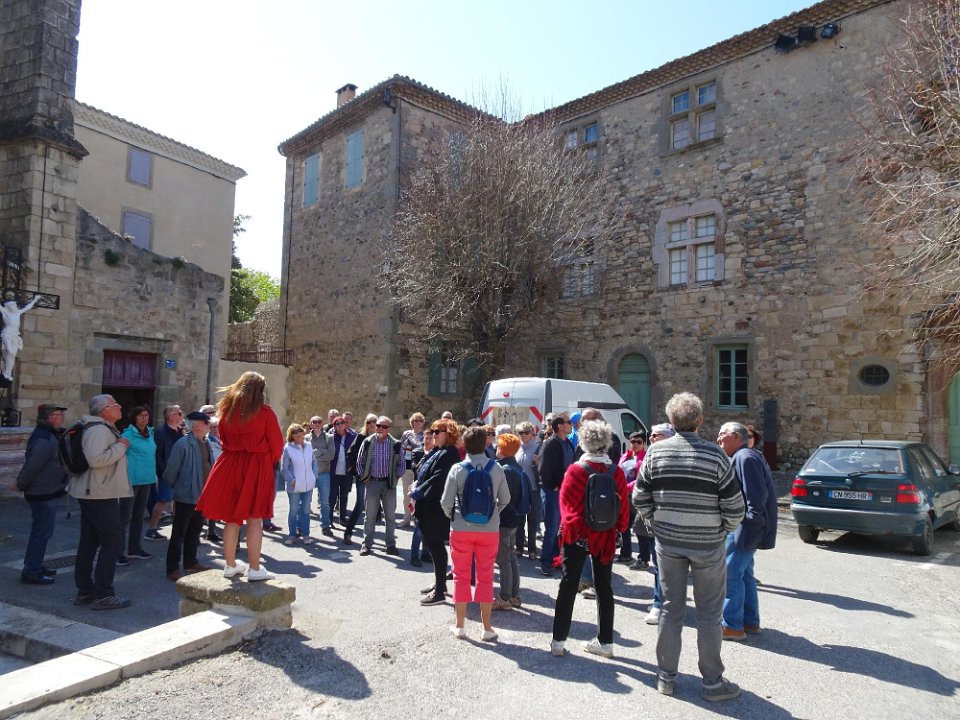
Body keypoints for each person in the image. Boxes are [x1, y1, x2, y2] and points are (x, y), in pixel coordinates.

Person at [634, 393, 745, 701]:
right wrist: (722, 530)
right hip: (708, 544)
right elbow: (735, 506)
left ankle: (665, 677)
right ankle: (712, 683)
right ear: (700, 420)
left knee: (670, 608)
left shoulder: (656, 453)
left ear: (671, 422)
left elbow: (640, 498)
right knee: (709, 614)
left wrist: (656, 524)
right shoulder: (715, 455)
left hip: (668, 543)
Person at [550, 420, 631, 658]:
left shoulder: (575, 470)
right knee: (604, 587)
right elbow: (623, 507)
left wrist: (569, 529)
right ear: (607, 443)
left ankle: (558, 641)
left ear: (583, 442)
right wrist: (619, 529)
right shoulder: (616, 472)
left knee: (568, 585)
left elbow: (565, 506)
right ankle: (605, 642)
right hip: (604, 535)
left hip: (577, 534)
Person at [195, 371, 284, 581]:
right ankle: (254, 568)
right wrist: (264, 460)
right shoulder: (266, 413)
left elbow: (223, 440)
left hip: (230, 464)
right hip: (256, 465)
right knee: (255, 519)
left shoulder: (227, 412)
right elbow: (277, 446)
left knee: (231, 518)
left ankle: (230, 565)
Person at [441, 426, 510, 641]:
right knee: (485, 576)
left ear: (465, 443)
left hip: (461, 528)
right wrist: (492, 515)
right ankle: (487, 628)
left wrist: (455, 517)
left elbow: (445, 502)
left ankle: (460, 626)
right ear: (485, 443)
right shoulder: (496, 468)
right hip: (489, 529)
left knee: (461, 575)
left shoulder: (457, 469)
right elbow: (505, 499)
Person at [68, 394, 132, 610]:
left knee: (89, 542)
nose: (120, 406)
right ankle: (104, 594)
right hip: (99, 493)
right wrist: (122, 446)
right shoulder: (99, 430)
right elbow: (96, 460)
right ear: (104, 410)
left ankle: (85, 591)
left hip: (93, 491)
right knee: (112, 542)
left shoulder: (97, 427)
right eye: (115, 404)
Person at [717, 422, 778, 641]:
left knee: (730, 573)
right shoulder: (746, 456)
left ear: (735, 436)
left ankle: (732, 625)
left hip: (744, 527)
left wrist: (748, 528)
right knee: (745, 574)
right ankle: (750, 621)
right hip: (746, 526)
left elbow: (755, 498)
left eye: (722, 434)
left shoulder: (745, 457)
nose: (718, 439)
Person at [15, 403, 68, 584]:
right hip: (43, 493)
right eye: (59, 414)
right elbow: (33, 466)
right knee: (41, 532)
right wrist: (20, 484)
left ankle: (36, 564)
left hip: (48, 491)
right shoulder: (44, 439)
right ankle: (32, 570)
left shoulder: (49, 434)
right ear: (50, 417)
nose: (62, 417)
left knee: (42, 531)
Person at [163, 412, 215, 580]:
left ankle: (190, 561)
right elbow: (171, 470)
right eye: (206, 422)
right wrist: (179, 488)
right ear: (196, 425)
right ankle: (172, 568)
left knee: (195, 530)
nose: (209, 425)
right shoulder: (183, 444)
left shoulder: (206, 442)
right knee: (179, 532)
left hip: (202, 494)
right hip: (186, 495)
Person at [413, 419, 460, 605]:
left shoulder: (449, 453)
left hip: (436, 509)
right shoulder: (439, 451)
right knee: (434, 546)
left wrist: (418, 491)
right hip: (429, 506)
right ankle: (440, 584)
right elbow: (423, 471)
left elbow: (438, 480)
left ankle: (439, 591)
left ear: (448, 434)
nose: (433, 434)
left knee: (436, 546)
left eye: (437, 431)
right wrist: (416, 487)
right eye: (432, 431)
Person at [354, 415, 405, 556]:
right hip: (372, 483)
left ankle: (390, 545)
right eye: (378, 426)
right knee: (369, 516)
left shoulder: (396, 444)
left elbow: (402, 464)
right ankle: (366, 545)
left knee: (390, 517)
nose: (380, 428)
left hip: (389, 484)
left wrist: (396, 477)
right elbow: (359, 462)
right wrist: (365, 478)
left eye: (384, 426)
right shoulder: (367, 442)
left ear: (389, 429)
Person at [641, 422, 675, 625]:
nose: (652, 438)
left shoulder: (672, 458)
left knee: (665, 564)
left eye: (657, 435)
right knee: (658, 563)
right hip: (655, 518)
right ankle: (659, 602)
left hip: (670, 519)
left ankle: (661, 605)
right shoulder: (651, 456)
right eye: (651, 435)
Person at [493, 433, 526, 611]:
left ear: (503, 449)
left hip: (504, 520)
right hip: (515, 518)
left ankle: (504, 597)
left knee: (503, 559)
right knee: (511, 556)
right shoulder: (516, 467)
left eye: (498, 446)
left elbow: (502, 499)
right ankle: (514, 595)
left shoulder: (505, 469)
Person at [538, 413, 573, 576]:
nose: (571, 425)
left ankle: (555, 559)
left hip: (565, 491)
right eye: (568, 422)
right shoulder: (550, 443)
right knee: (551, 528)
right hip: (553, 492)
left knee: (560, 528)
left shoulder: (567, 443)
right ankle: (545, 562)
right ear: (560, 426)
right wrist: (554, 486)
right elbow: (543, 469)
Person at [121, 406, 156, 561]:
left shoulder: (150, 433)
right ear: (134, 417)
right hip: (131, 480)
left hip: (147, 479)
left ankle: (134, 548)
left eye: (146, 415)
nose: (144, 418)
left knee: (139, 516)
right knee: (124, 517)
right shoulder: (127, 435)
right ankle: (118, 551)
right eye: (141, 415)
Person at [146, 405, 184, 542]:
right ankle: (151, 529)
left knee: (178, 500)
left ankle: (179, 529)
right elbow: (157, 454)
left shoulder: (180, 431)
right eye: (179, 413)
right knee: (163, 500)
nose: (182, 415)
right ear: (171, 417)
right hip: (168, 473)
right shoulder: (161, 432)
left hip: (179, 472)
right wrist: (164, 472)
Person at [342, 414, 377, 543]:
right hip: (363, 475)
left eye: (374, 422)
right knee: (360, 504)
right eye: (369, 422)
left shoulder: (381, 438)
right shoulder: (361, 437)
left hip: (377, 477)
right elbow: (350, 453)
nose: (372, 424)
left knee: (373, 506)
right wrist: (356, 470)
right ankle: (348, 532)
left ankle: (369, 538)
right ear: (366, 424)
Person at [282, 423, 318, 546]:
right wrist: (291, 480)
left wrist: (314, 476)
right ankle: (292, 535)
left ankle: (306, 535)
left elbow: (314, 462)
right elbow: (284, 467)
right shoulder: (288, 448)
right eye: (294, 432)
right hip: (294, 486)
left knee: (306, 510)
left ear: (303, 432)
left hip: (308, 485)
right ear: (291, 435)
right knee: (293, 510)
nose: (297, 433)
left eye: (299, 431)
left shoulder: (309, 446)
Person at [616, 430, 649, 569]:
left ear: (644, 443)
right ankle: (626, 554)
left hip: (636, 496)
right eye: (632, 441)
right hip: (623, 496)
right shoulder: (625, 456)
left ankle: (644, 559)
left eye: (638, 442)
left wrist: (624, 488)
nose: (635, 444)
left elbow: (641, 479)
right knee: (624, 526)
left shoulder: (645, 458)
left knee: (640, 529)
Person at [407, 427, 435, 567]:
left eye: (431, 438)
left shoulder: (436, 453)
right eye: (426, 437)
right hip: (418, 492)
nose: (428, 440)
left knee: (429, 526)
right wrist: (426, 456)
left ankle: (425, 552)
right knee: (418, 526)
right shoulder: (417, 452)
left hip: (431, 493)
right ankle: (414, 555)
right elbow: (416, 468)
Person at [514, 421, 541, 560]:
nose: (523, 435)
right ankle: (519, 548)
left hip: (534, 489)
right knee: (519, 520)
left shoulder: (538, 448)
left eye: (526, 432)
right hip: (519, 489)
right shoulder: (517, 448)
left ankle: (532, 549)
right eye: (521, 433)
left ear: (532, 434)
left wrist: (538, 463)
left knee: (532, 520)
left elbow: (543, 468)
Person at [0, 295, 39, 381]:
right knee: (10, 351)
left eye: (15, 305)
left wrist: (35, 300)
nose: (15, 307)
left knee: (12, 355)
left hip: (15, 336)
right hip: (7, 334)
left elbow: (27, 307)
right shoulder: (5, 313)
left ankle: (8, 372)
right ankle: (6, 370)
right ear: (9, 307)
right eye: (13, 306)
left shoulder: (18, 313)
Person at [307, 415, 334, 536]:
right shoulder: (306, 438)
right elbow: (306, 456)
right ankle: (301, 526)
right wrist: (322, 451)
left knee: (325, 502)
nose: (317, 424)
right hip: (309, 474)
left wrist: (315, 453)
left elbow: (331, 456)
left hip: (324, 473)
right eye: (314, 422)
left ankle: (325, 526)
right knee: (305, 502)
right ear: (311, 424)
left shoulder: (329, 438)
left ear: (322, 424)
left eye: (319, 421)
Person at [329, 416, 358, 527]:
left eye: (342, 423)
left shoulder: (352, 436)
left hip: (347, 472)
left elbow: (357, 452)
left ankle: (342, 518)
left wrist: (353, 466)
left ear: (345, 424)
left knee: (344, 496)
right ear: (334, 426)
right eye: (337, 424)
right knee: (332, 496)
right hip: (334, 471)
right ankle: (329, 520)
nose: (340, 425)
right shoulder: (330, 437)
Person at [399, 412, 425, 527]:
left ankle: (416, 518)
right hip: (406, 467)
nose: (419, 422)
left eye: (421, 420)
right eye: (417, 420)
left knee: (416, 495)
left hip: (418, 468)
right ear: (412, 422)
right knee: (406, 496)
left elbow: (420, 448)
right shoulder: (406, 434)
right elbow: (401, 448)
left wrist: (412, 441)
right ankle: (406, 518)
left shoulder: (425, 435)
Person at [204, 415, 223, 542]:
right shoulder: (207, 441)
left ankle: (211, 531)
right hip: (211, 474)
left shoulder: (221, 439)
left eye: (217, 427)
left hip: (221, 474)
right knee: (210, 504)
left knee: (215, 504)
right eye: (213, 427)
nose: (215, 429)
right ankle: (209, 531)